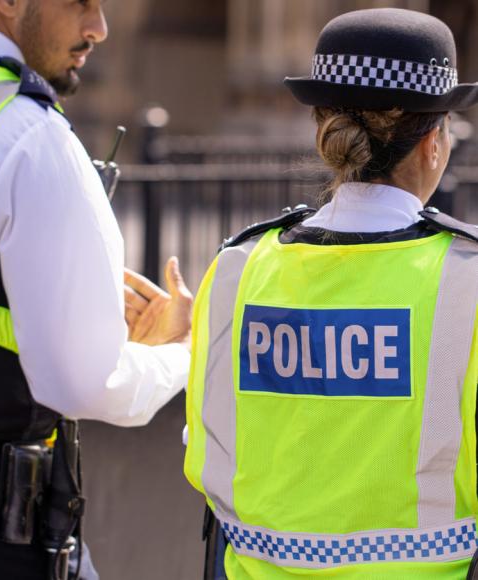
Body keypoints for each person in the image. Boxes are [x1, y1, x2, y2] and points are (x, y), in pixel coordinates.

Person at [184, 7, 478, 580]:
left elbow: (205, 450)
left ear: (324, 131)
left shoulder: (237, 267)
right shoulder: (467, 278)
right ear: (434, 141)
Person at [0, 1, 192, 579]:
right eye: (80, 3)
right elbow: (86, 384)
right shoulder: (24, 133)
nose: (99, 28)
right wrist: (176, 353)